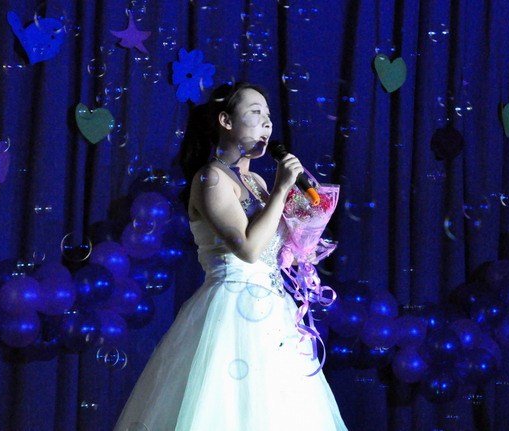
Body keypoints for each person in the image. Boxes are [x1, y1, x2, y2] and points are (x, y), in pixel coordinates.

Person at [113, 82, 348, 431]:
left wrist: (306, 229)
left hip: (274, 313)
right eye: (255, 113)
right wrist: (282, 189)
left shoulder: (257, 182)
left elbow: (279, 252)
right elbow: (249, 249)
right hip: (232, 310)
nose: (266, 123)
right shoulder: (211, 178)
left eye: (269, 116)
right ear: (225, 120)